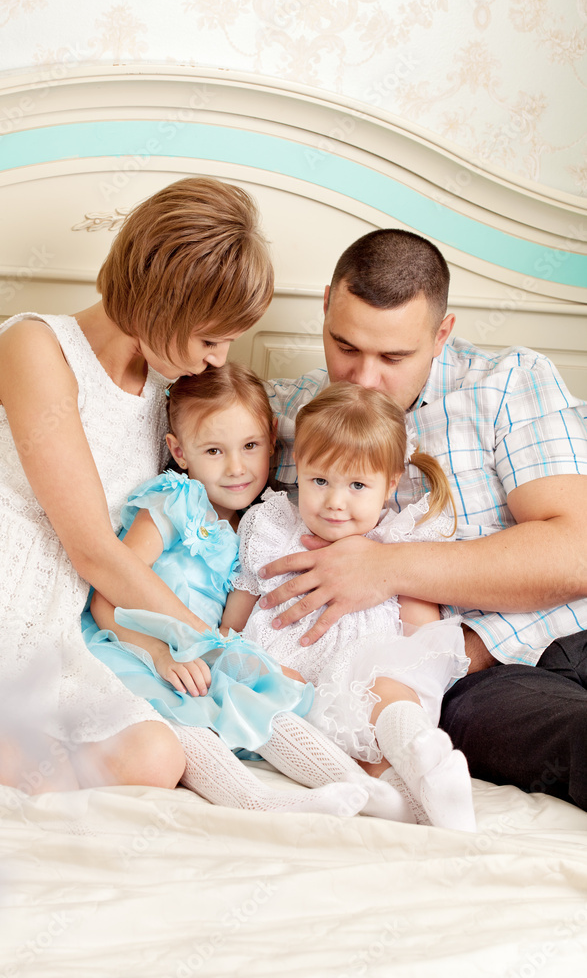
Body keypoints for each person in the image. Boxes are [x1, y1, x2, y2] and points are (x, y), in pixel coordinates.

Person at [0, 176, 276, 793]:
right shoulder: (35, 347)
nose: (219, 359)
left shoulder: (168, 394)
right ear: (162, 306)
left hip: (64, 618)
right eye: (210, 338)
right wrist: (218, 649)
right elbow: (91, 545)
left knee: (157, 758)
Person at [261, 228, 587, 809]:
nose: (362, 378)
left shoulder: (507, 383)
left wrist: (387, 568)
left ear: (442, 334)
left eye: (393, 357)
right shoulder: (292, 414)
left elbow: (578, 549)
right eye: (345, 346)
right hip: (492, 683)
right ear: (325, 306)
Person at [83, 364, 413, 821]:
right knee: (188, 727)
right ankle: (259, 802)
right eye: (214, 450)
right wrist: (159, 654)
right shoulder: (174, 501)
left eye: (251, 447)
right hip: (139, 653)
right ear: (179, 451)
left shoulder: (259, 527)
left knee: (265, 703)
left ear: (273, 440)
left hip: (201, 658)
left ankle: (362, 790)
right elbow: (105, 594)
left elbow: (238, 618)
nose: (237, 468)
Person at [223, 381, 475, 831]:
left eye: (357, 485)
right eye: (320, 481)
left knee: (388, 697)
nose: (335, 503)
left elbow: (418, 632)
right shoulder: (272, 526)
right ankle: (382, 794)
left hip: (363, 668)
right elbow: (244, 593)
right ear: (298, 465)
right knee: (265, 695)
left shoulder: (397, 541)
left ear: (390, 482)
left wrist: (408, 672)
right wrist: (225, 642)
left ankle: (427, 760)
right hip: (288, 664)